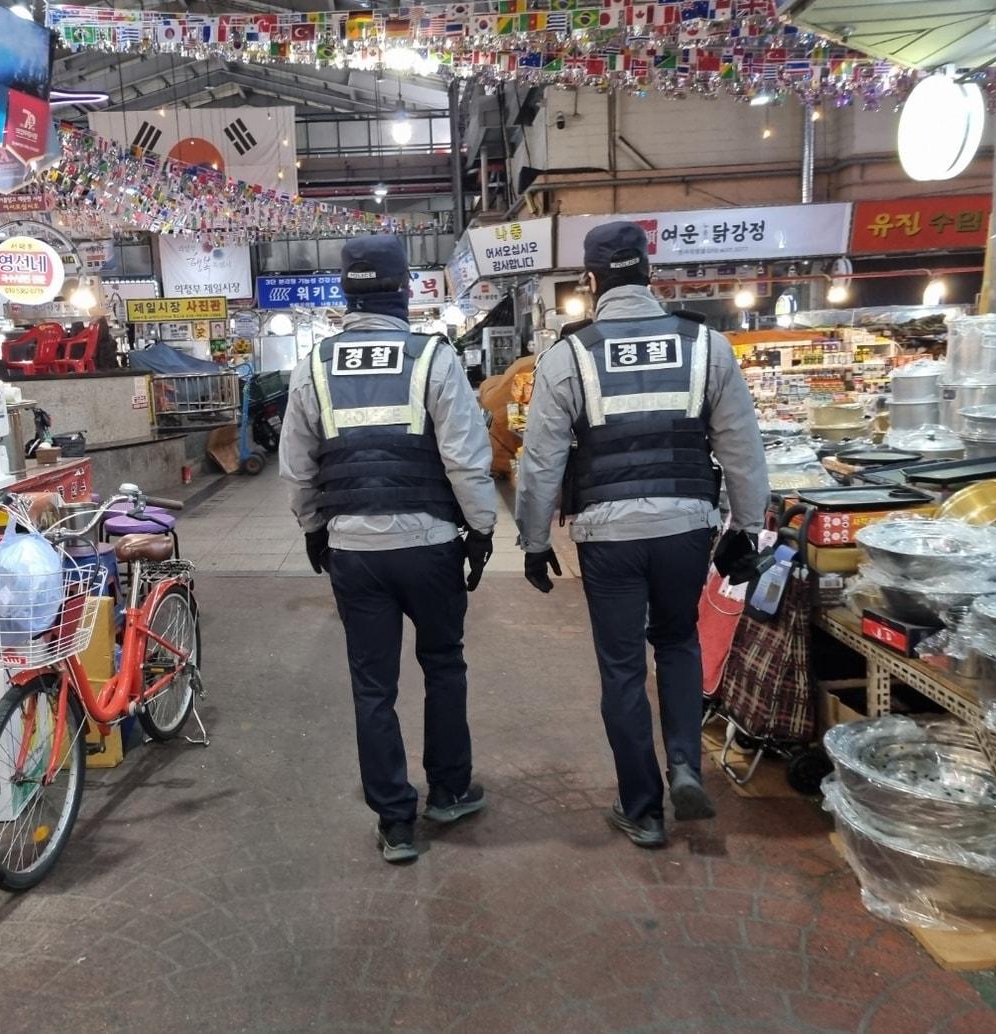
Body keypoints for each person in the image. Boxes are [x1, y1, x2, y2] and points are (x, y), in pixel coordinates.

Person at [514, 221, 770, 849]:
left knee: (623, 668)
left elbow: (541, 459)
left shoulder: (568, 356)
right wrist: (748, 526)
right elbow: (742, 447)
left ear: (592, 282)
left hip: (608, 535)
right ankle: (685, 762)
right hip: (687, 526)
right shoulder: (706, 346)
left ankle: (643, 808)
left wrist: (533, 539)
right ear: (649, 275)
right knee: (678, 642)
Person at [279, 234, 499, 864]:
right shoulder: (433, 358)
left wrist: (313, 527)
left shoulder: (314, 365)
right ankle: (450, 791)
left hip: (355, 551)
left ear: (346, 291)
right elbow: (465, 457)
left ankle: (396, 822)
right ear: (405, 290)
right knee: (443, 665)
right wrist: (481, 529)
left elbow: (297, 469)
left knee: (372, 686)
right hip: (429, 547)